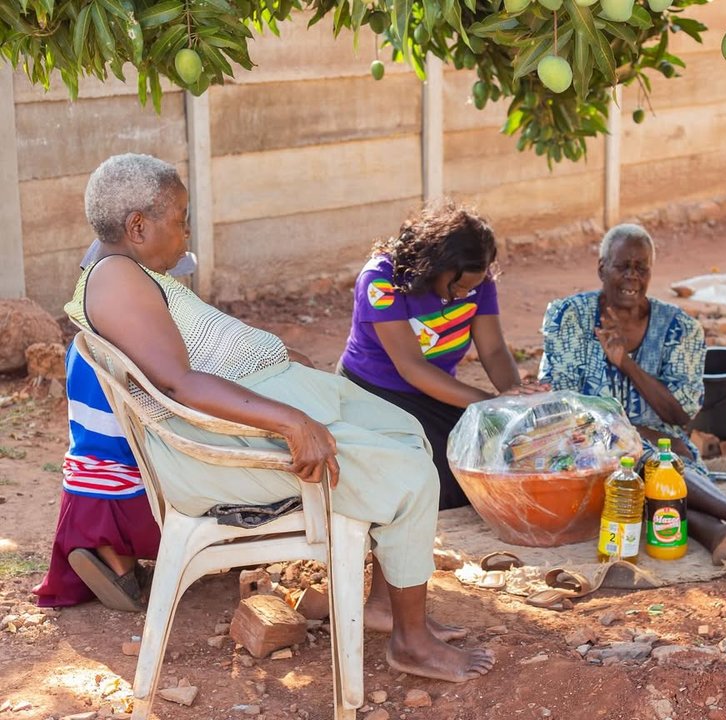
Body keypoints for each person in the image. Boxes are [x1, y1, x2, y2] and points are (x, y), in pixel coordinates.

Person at [63, 152, 493, 683]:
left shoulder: (129, 270)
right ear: (137, 226)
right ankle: (411, 644)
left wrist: (279, 366)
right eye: (180, 218)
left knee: (407, 432)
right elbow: (180, 382)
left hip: (254, 412)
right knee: (409, 478)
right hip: (221, 447)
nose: (187, 231)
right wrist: (290, 420)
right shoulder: (116, 280)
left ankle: (385, 605)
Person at [538, 223, 726, 565]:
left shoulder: (680, 329)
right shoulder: (571, 318)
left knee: (661, 461)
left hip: (662, 442)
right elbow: (562, 403)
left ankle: (720, 535)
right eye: (622, 266)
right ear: (601, 268)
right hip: (584, 445)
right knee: (635, 453)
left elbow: (680, 415)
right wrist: (629, 432)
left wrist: (627, 363)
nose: (631, 277)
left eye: (641, 268)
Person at [338, 202, 545, 510]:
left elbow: (493, 349)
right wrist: (489, 404)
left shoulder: (478, 281)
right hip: (376, 392)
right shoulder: (382, 281)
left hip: (437, 391)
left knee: (490, 453)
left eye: (472, 286)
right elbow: (411, 367)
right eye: (457, 286)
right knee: (440, 478)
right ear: (433, 265)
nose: (464, 293)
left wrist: (512, 402)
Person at [31, 242, 197, 612]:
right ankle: (120, 551)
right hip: (139, 506)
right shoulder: (146, 345)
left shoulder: (82, 344)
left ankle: (113, 556)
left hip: (82, 494)